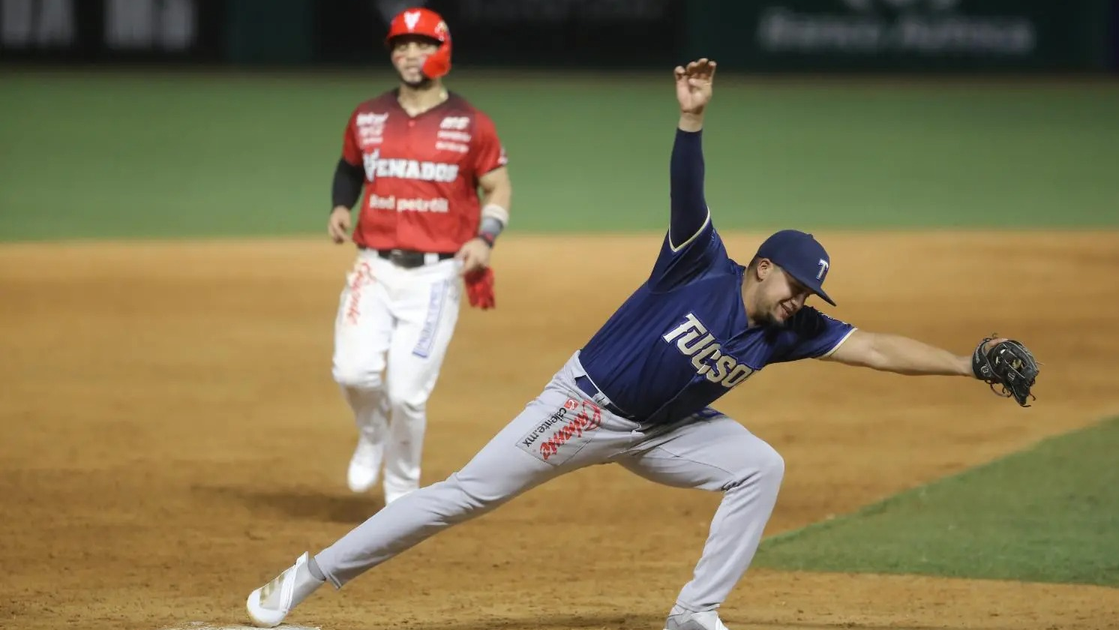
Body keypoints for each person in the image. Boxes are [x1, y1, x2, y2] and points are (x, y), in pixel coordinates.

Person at [246, 58, 1036, 630]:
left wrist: (967, 363)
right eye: (793, 286)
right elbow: (686, 186)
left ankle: (694, 615)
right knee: (459, 499)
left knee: (760, 466)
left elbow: (878, 349)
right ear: (760, 268)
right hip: (582, 408)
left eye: (808, 295)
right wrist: (691, 118)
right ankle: (307, 577)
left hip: (666, 431)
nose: (800, 302)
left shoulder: (787, 330)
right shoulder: (698, 260)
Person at [328, 7, 512, 506]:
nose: (411, 55)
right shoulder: (368, 117)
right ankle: (372, 434)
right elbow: (349, 169)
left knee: (409, 393)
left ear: (443, 50)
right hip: (374, 266)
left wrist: (485, 238)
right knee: (352, 372)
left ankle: (402, 492)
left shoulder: (470, 123)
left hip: (436, 277)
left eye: (422, 44)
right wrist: (342, 205)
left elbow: (497, 187)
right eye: (401, 46)